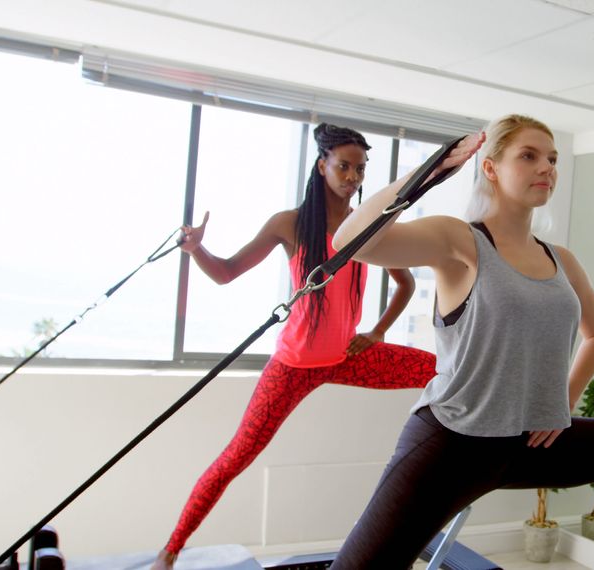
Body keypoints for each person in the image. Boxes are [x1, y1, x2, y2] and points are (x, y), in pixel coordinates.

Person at [329, 115, 594, 569]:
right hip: (451, 441)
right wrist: (425, 174)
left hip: (525, 445)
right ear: (490, 168)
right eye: (528, 156)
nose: (546, 167)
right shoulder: (460, 240)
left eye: (552, 158)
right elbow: (350, 243)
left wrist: (562, 402)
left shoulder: (562, 260)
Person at [152, 124, 436, 570]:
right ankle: (169, 553)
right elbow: (227, 273)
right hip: (292, 366)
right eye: (343, 166)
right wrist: (196, 251)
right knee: (235, 458)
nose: (352, 177)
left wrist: (379, 331)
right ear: (322, 166)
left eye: (360, 169)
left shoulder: (368, 225)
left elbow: (404, 282)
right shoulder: (289, 224)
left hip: (347, 358)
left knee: (441, 370)